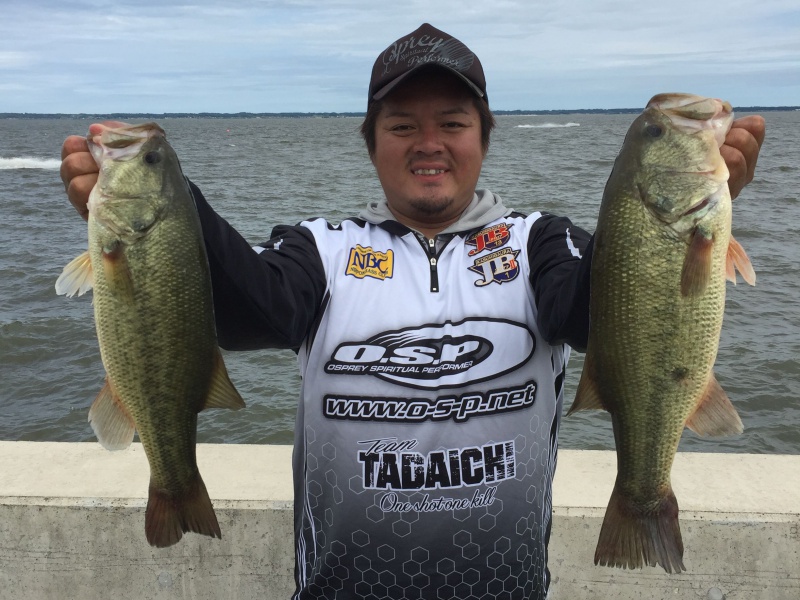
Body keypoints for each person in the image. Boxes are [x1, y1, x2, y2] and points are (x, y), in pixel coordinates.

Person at [60, 23, 765, 600]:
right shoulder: (321, 249)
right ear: (371, 144)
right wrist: (158, 215)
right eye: (401, 125)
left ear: (483, 138)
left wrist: (683, 216)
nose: (429, 143)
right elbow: (244, 308)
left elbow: (597, 313)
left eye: (452, 123)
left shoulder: (540, 241)